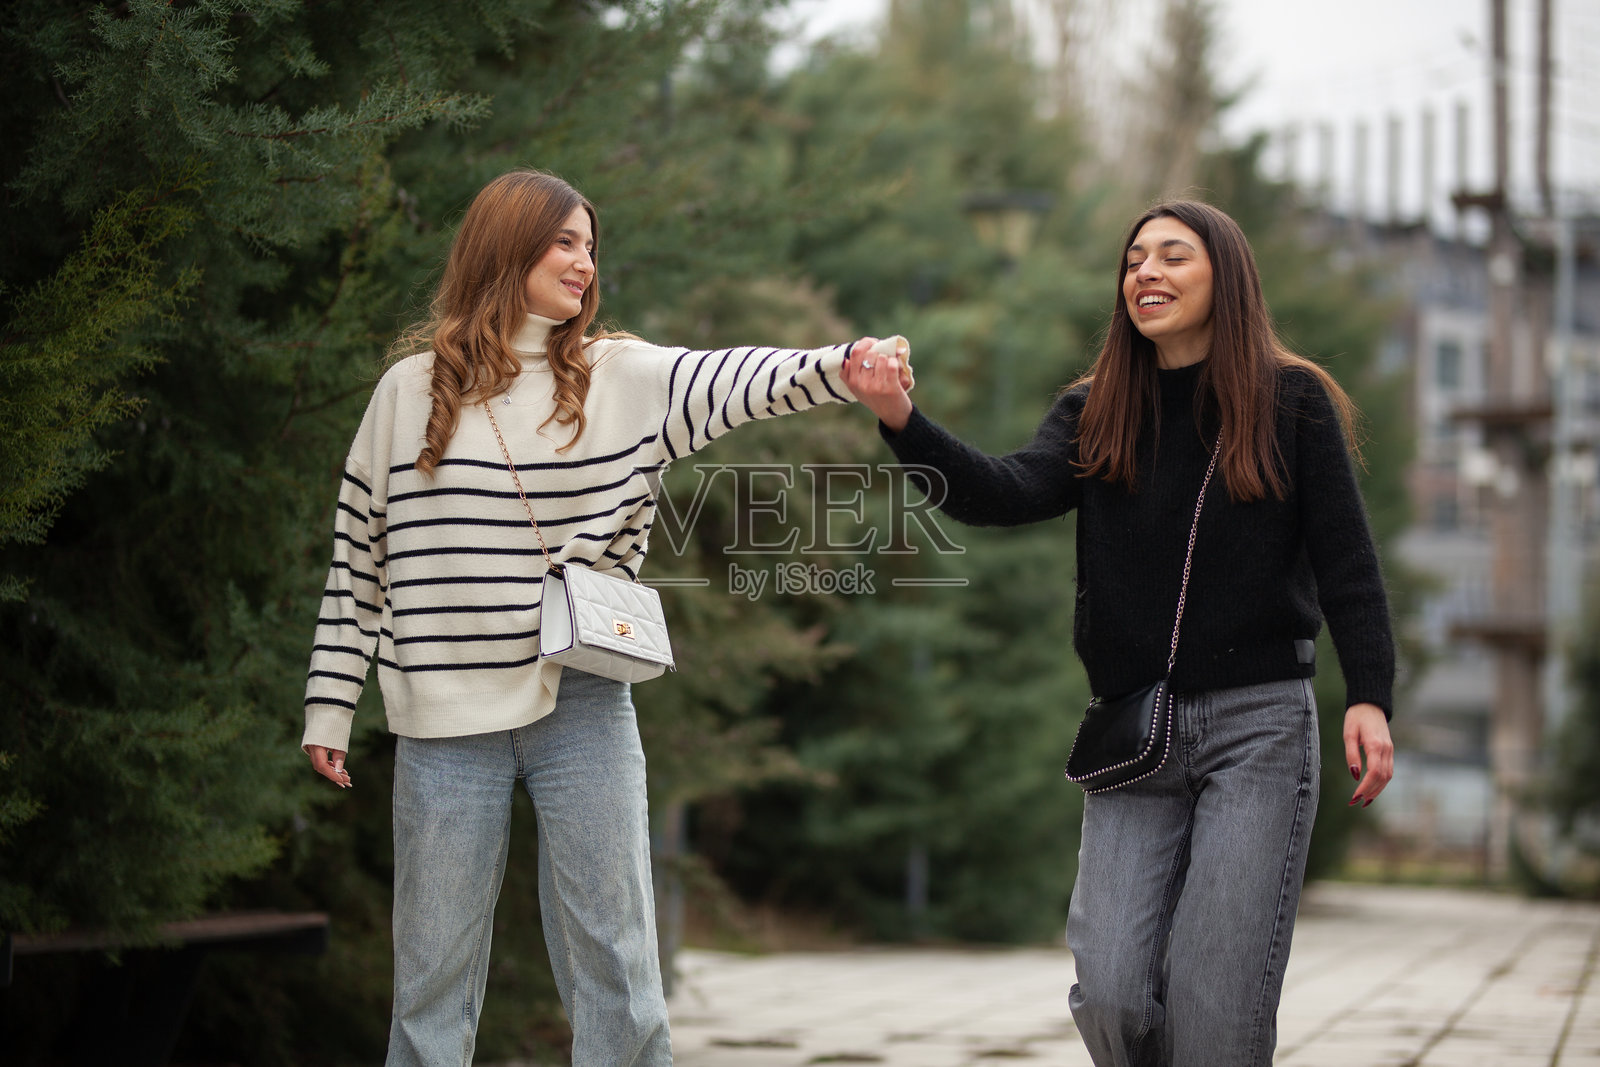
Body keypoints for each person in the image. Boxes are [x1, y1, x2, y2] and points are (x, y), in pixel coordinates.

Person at [300, 169, 905, 1066]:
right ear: (506, 247)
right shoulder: (406, 392)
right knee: (429, 979)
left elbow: (735, 377)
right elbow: (359, 556)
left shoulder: (619, 374)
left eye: (591, 246)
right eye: (565, 242)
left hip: (580, 697)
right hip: (442, 713)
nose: (585, 263)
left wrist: (840, 367)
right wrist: (330, 703)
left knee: (618, 969)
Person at [842, 200, 1395, 1067]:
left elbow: (1349, 564)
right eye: (1135, 259)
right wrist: (903, 422)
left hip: (1259, 732)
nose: (1147, 272)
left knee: (1216, 1006)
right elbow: (1004, 490)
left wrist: (1369, 694)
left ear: (1227, 277)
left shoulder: (1294, 403)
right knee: (1110, 991)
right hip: (1132, 734)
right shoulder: (1095, 409)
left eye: (1174, 256)